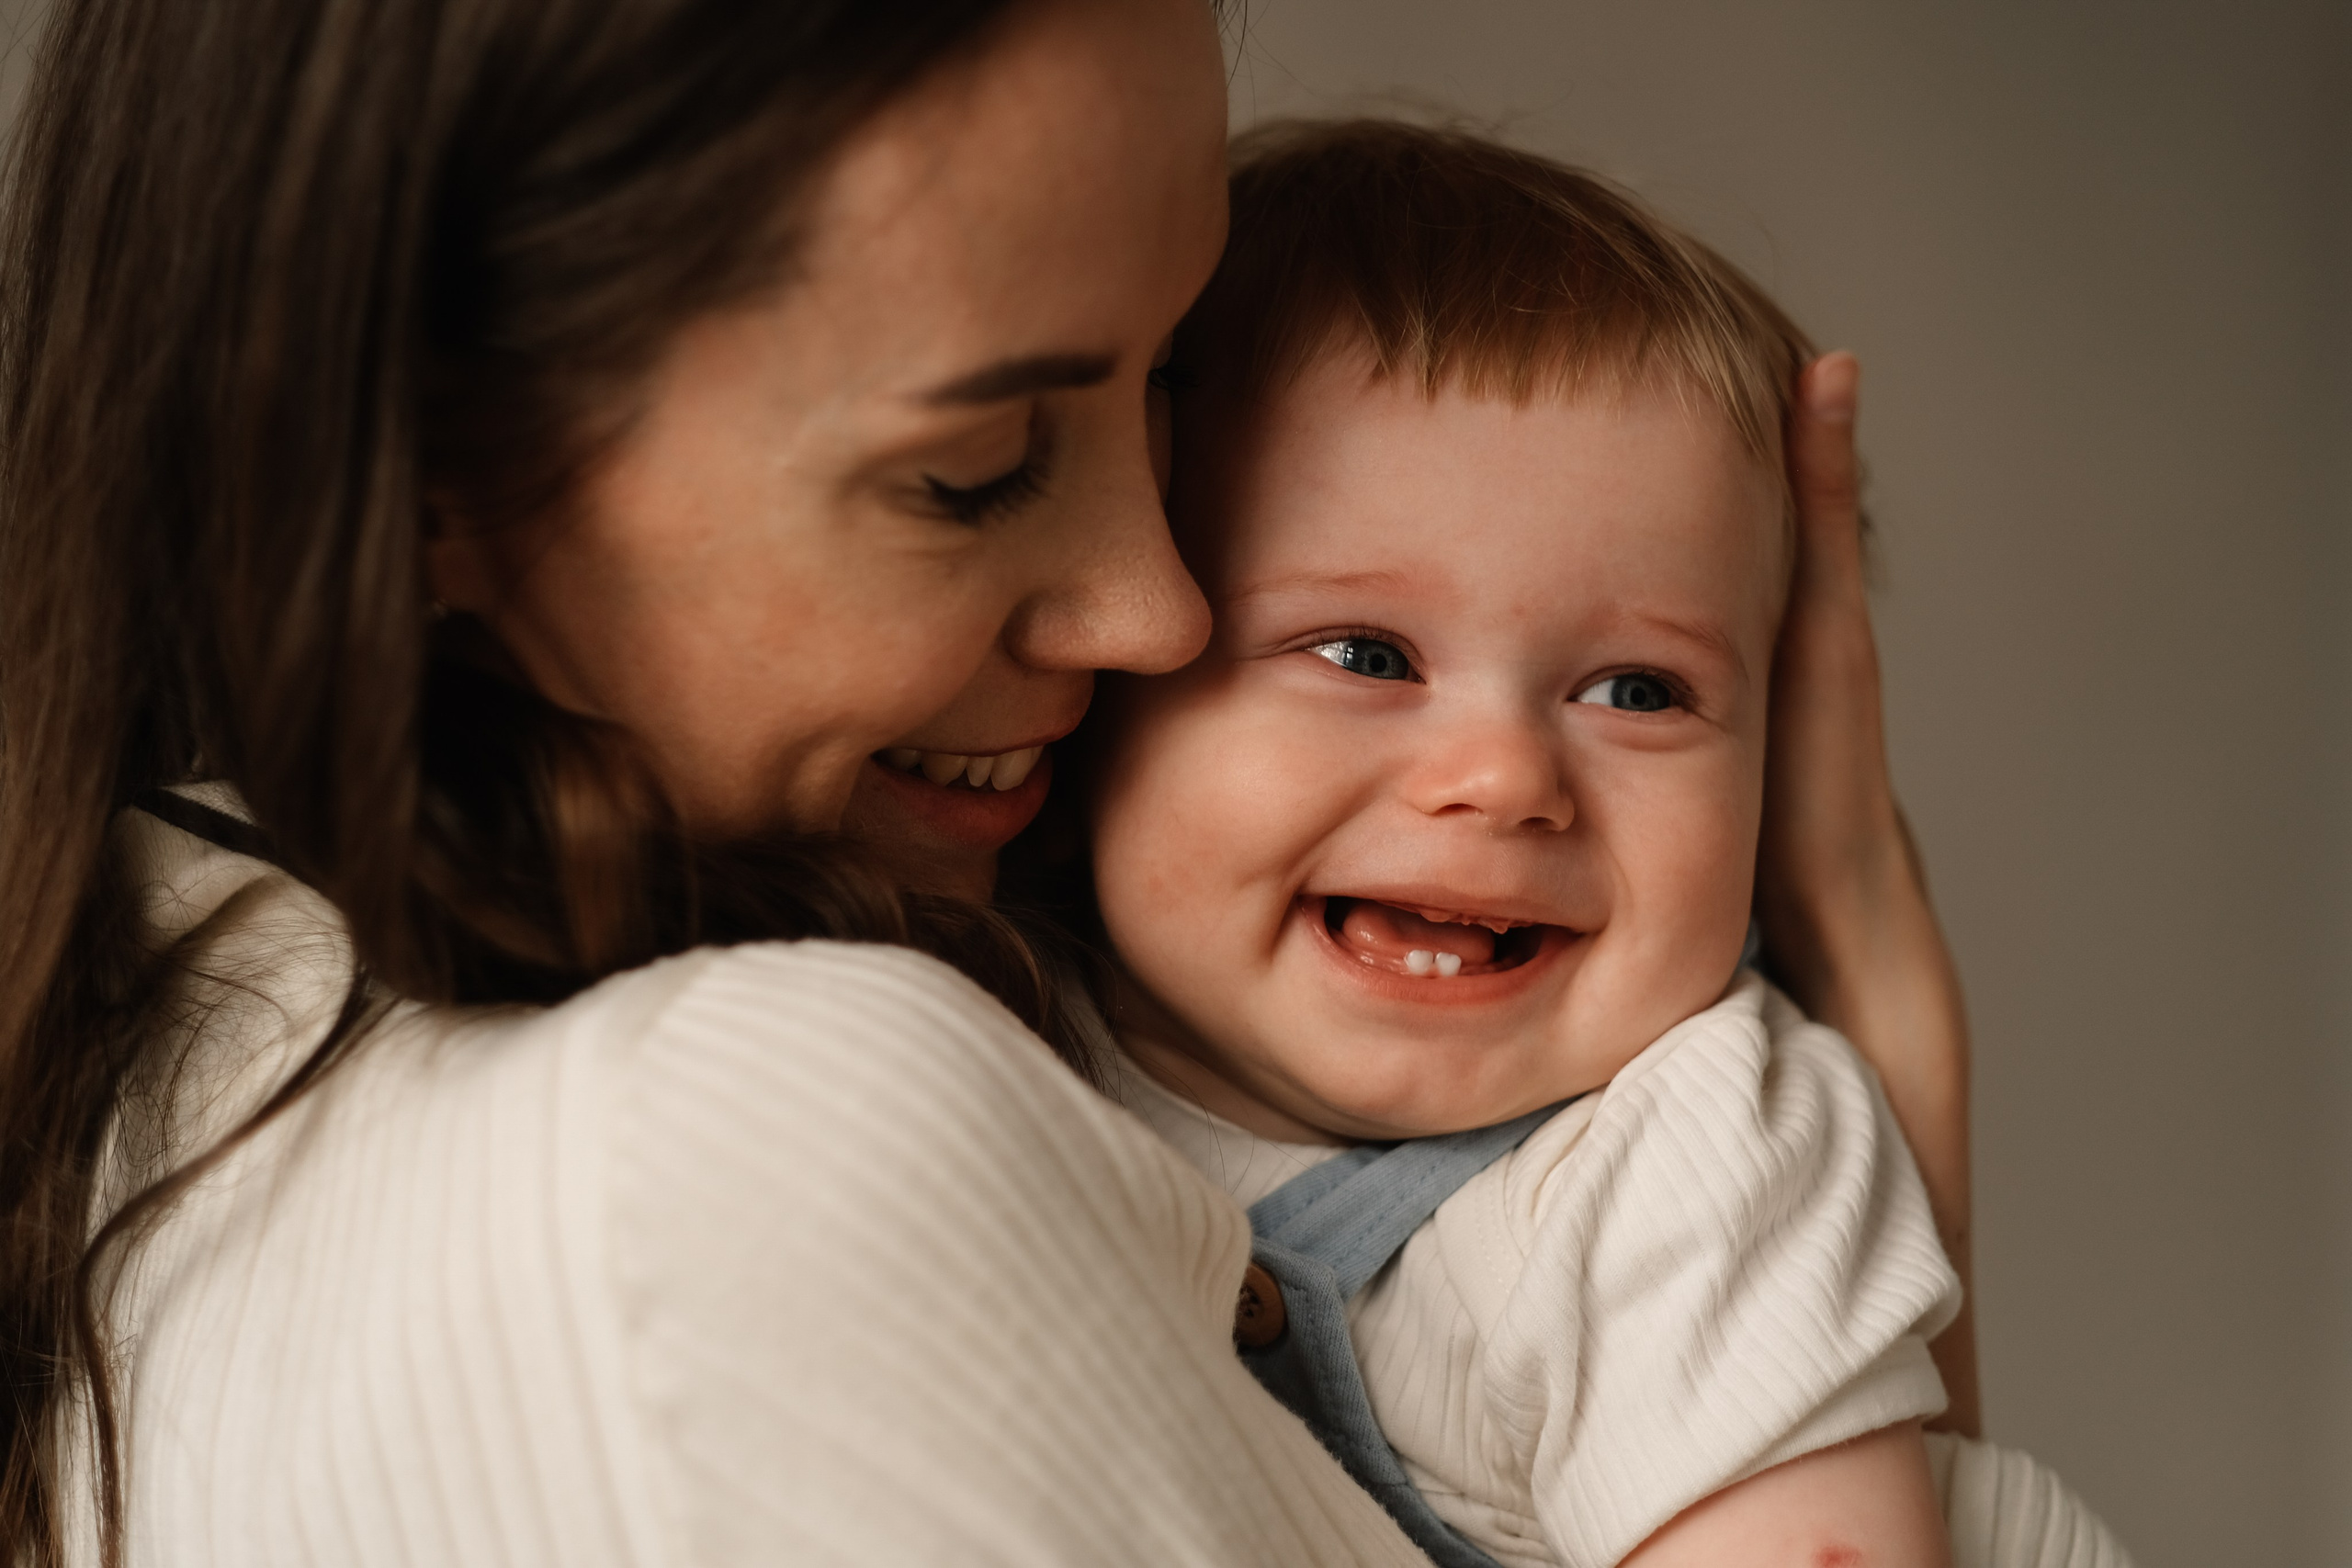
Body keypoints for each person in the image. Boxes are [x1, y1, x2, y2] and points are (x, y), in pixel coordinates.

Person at [0, 2, 1981, 1566]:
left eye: (1162, 386)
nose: (1156, 606)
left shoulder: (159, 1018)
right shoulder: (721, 1145)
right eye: (972, 469)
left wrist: (1864, 1112)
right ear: (430, 457)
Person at [1082, 121, 2129, 1568]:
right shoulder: (987, 1014)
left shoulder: (1693, 1162)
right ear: (1109, 663)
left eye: (1638, 690)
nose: (1506, 778)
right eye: (1366, 652)